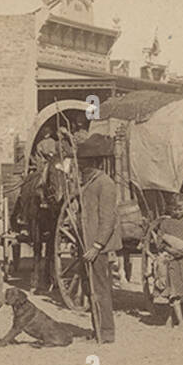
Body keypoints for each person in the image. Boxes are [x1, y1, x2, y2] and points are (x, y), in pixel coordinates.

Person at [76, 135, 121, 343]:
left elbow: (108, 219)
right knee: (89, 288)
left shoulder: (106, 184)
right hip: (85, 245)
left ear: (94, 162)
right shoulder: (86, 183)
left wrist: (97, 245)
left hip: (97, 248)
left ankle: (107, 332)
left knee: (101, 289)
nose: (81, 166)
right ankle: (96, 329)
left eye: (84, 162)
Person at [150, 193, 183, 326]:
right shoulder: (166, 223)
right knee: (174, 291)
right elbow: (160, 242)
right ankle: (180, 321)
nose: (177, 212)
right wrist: (171, 250)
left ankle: (173, 317)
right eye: (174, 209)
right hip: (171, 260)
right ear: (170, 208)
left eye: (180, 209)